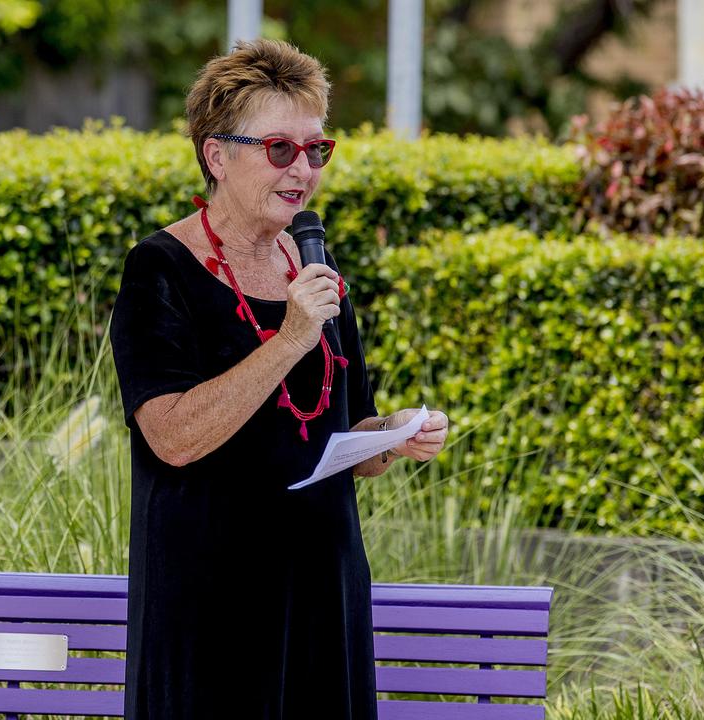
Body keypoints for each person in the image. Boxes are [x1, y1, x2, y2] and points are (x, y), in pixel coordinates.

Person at [109, 38, 450, 720]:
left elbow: (348, 439)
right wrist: (292, 338)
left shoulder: (317, 274)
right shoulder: (159, 271)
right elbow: (172, 436)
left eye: (316, 149)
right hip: (211, 602)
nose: (303, 169)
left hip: (322, 590)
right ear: (216, 155)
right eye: (280, 149)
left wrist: (397, 435)